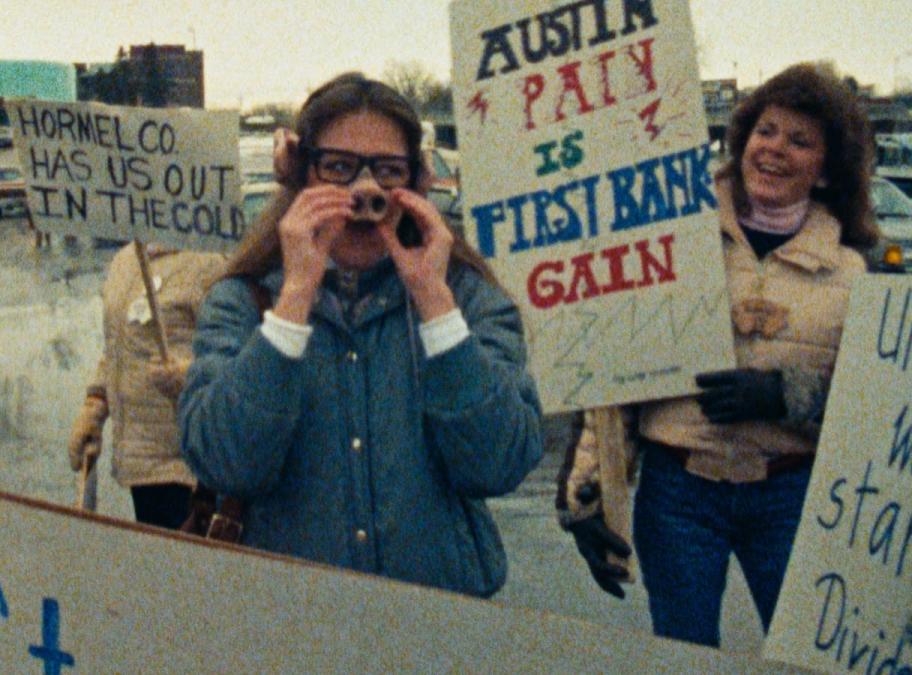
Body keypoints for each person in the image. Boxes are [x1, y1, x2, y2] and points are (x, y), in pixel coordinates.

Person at [178, 73, 544, 597]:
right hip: (293, 623)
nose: (363, 192)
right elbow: (226, 463)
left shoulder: (466, 298)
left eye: (387, 171)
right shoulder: (243, 300)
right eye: (340, 168)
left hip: (439, 626)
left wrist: (436, 306)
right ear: (304, 175)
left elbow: (500, 464)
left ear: (417, 183)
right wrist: (294, 300)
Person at [557, 63, 877, 646]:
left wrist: (788, 395)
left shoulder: (854, 274)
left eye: (800, 140)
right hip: (679, 494)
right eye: (767, 131)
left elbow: (875, 412)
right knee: (684, 654)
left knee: (808, 654)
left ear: (828, 169)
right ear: (743, 139)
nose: (776, 149)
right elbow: (617, 374)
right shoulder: (673, 238)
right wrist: (589, 495)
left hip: (790, 498)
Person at [67, 243, 226, 528]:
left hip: (186, 467)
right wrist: (95, 404)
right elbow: (118, 346)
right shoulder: (126, 260)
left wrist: (190, 376)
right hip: (140, 460)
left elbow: (234, 356)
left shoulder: (209, 264)